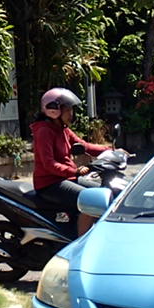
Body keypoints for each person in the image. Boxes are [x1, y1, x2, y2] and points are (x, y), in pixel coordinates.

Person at [31, 87, 110, 234]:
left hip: (67, 178)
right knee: (92, 201)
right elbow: (49, 164)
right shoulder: (44, 131)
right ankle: (81, 246)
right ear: (54, 110)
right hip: (50, 183)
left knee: (101, 192)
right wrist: (74, 171)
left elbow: (84, 146)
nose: (71, 114)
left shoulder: (63, 129)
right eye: (68, 110)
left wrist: (111, 150)